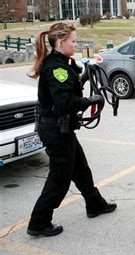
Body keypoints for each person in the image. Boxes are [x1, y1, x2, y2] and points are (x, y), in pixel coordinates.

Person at [26, 22, 117, 237]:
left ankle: (95, 204)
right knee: (60, 177)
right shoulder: (56, 67)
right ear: (60, 42)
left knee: (80, 168)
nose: (75, 45)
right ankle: (38, 222)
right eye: (73, 41)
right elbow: (64, 102)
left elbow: (68, 86)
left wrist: (85, 75)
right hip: (55, 130)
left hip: (60, 128)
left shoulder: (61, 63)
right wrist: (89, 100)